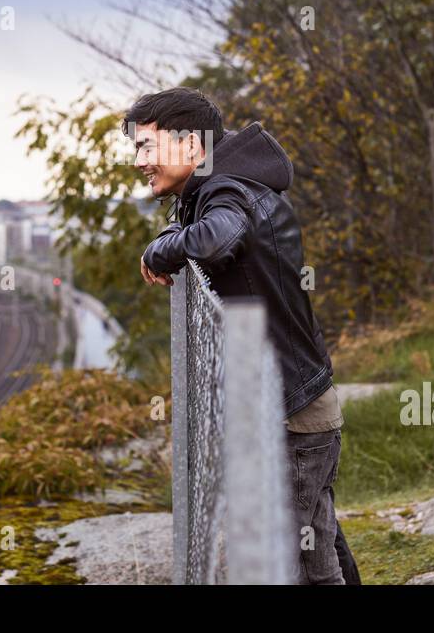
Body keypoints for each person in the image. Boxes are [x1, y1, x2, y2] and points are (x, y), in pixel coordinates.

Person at [124, 86, 361, 585]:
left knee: (282, 560)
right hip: (296, 404)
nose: (138, 160)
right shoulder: (224, 185)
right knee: (316, 557)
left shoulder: (226, 191)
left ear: (191, 146)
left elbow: (218, 239)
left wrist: (160, 251)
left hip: (290, 415)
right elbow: (204, 231)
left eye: (147, 146)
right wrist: (168, 238)